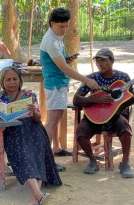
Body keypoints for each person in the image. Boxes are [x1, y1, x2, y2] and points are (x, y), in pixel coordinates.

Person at [0, 66, 61, 205]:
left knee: (36, 152)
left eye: (15, 79)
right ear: (2, 82)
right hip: (13, 131)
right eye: (8, 80)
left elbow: (38, 118)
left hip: (33, 128)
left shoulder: (29, 95)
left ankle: (36, 195)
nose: (12, 82)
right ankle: (37, 194)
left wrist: (33, 111)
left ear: (20, 80)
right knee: (23, 153)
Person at [73, 48, 134, 178]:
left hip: (116, 117)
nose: (100, 64)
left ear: (112, 61)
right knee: (80, 132)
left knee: (125, 129)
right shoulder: (92, 78)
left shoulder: (123, 78)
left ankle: (125, 163)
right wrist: (95, 99)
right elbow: (76, 99)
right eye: (97, 61)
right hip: (95, 118)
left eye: (103, 60)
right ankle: (93, 161)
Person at [40, 8, 101, 158]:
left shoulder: (56, 37)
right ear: (52, 23)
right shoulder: (50, 41)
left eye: (66, 26)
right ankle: (45, 159)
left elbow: (59, 62)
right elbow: (64, 68)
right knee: (52, 121)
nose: (64, 30)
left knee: (58, 117)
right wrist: (87, 80)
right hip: (55, 84)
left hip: (59, 83)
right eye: (61, 26)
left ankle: (56, 148)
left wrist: (65, 59)